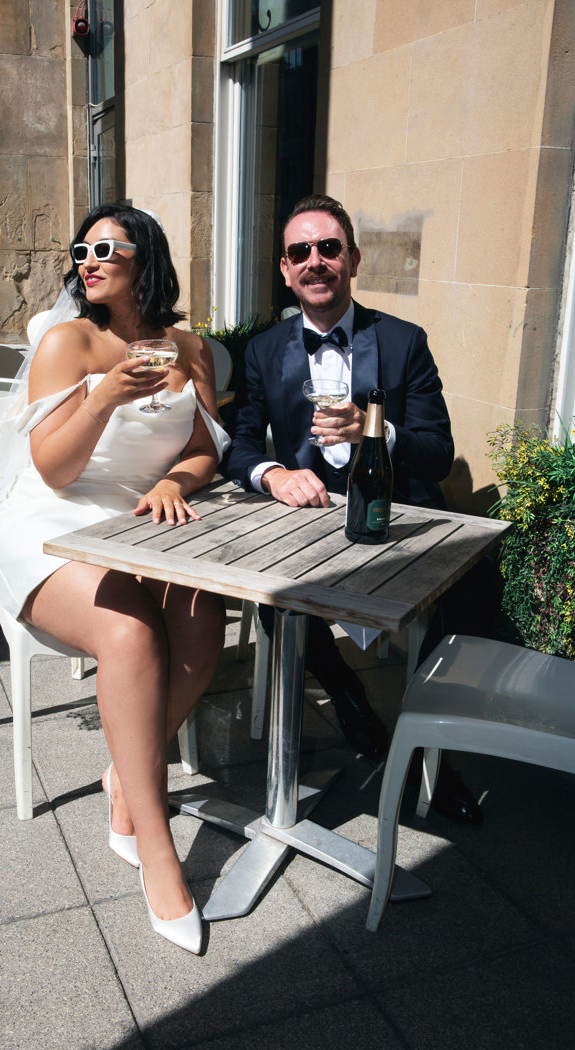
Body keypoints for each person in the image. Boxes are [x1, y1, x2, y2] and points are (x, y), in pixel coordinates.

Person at [0, 203, 231, 953]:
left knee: (203, 622)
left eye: (107, 247)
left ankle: (126, 777)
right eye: (81, 249)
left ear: (145, 256)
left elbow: (208, 448)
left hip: (142, 519)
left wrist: (178, 479)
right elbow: (54, 467)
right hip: (49, 522)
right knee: (129, 632)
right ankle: (155, 843)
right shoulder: (67, 341)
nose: (89, 259)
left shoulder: (189, 347)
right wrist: (105, 394)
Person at [222, 193, 495, 824]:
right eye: (300, 252)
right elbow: (237, 446)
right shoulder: (264, 351)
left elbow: (437, 451)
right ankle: (347, 698)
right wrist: (273, 473)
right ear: (285, 271)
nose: (315, 261)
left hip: (395, 516)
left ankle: (427, 751)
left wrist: (379, 432)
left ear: (353, 260)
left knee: (476, 585)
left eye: (328, 248)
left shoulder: (402, 343)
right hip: (308, 519)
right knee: (274, 595)